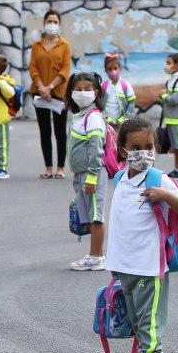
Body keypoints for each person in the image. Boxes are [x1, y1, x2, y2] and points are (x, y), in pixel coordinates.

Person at [104, 116, 178, 353]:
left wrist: (165, 196)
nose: (143, 153)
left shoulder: (159, 179)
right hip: (126, 266)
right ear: (123, 149)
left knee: (150, 320)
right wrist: (115, 262)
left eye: (148, 146)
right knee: (136, 320)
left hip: (148, 267)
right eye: (135, 147)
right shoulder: (121, 178)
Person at [67, 72, 108, 271]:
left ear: (96, 92)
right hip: (82, 174)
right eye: (78, 89)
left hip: (92, 174)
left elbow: (96, 147)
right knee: (90, 215)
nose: (82, 93)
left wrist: (92, 176)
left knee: (96, 216)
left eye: (87, 89)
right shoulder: (80, 116)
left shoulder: (93, 117)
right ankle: (94, 254)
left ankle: (97, 257)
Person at [29, 9, 72, 179]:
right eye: (49, 21)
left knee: (60, 131)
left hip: (59, 93)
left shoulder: (65, 45)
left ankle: (60, 167)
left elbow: (65, 70)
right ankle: (48, 167)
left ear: (59, 24)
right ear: (44, 23)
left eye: (55, 21)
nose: (52, 24)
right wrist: (41, 87)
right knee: (44, 130)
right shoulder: (36, 46)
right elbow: (33, 68)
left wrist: (50, 87)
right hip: (39, 93)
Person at [101, 53, 137, 126]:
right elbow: (99, 105)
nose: (113, 72)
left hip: (122, 123)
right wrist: (107, 119)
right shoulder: (103, 86)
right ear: (106, 71)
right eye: (110, 69)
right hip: (106, 123)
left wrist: (122, 120)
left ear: (120, 69)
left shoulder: (126, 86)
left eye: (115, 68)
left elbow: (131, 105)